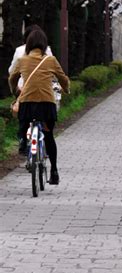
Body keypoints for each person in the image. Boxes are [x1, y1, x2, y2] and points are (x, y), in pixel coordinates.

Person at [9, 28, 69, 185]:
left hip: (27, 104)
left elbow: (12, 78)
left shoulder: (22, 60)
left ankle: (24, 141)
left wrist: (15, 91)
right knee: (49, 136)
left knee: (23, 123)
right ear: (44, 44)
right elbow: (63, 78)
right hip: (46, 104)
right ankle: (54, 171)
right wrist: (66, 89)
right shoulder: (50, 60)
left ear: (28, 44)